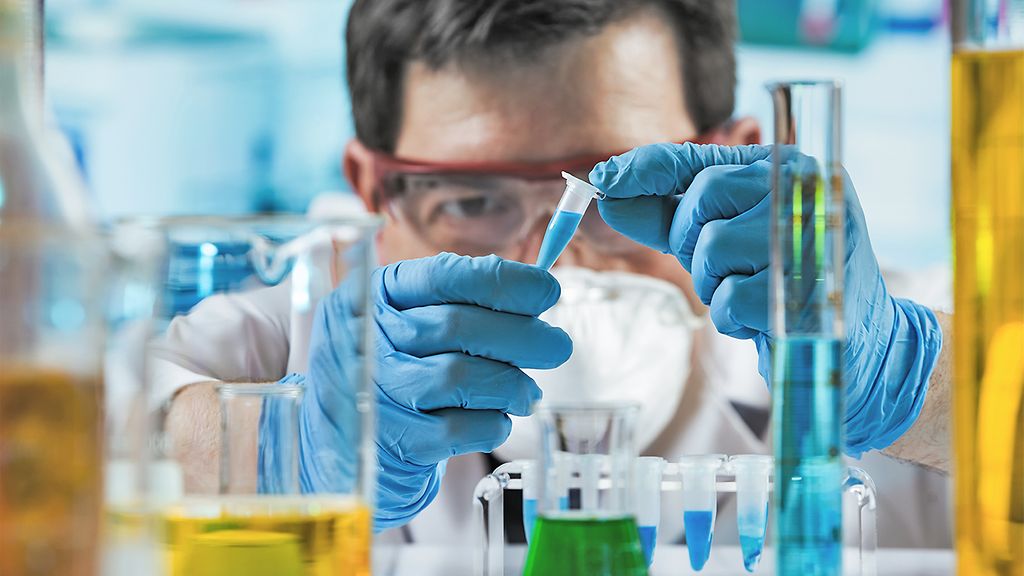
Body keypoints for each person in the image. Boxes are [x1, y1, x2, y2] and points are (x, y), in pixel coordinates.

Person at [156, 0, 952, 547]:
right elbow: (67, 441)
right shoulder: (287, 334)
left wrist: (919, 386)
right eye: (472, 199)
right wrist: (285, 450)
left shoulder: (869, 332)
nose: (553, 263)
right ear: (375, 189)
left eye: (617, 191)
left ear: (729, 156)